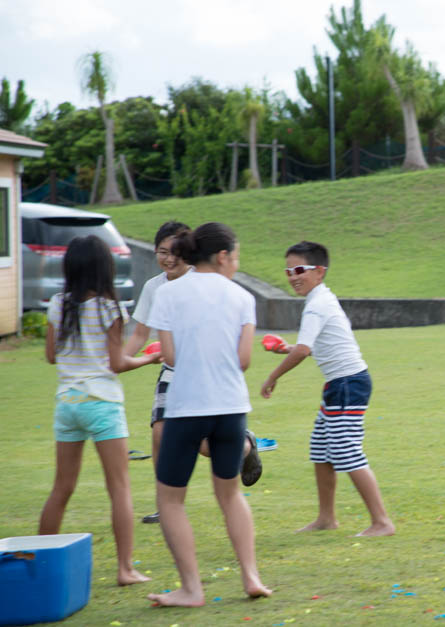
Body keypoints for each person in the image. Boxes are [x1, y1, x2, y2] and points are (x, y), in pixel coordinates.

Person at [146, 222, 270, 606]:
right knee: (230, 495)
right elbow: (245, 360)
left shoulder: (169, 293)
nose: (236, 263)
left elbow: (169, 357)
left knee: (170, 500)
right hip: (232, 408)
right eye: (236, 256)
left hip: (186, 408)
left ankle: (191, 589)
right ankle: (251, 576)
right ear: (222, 256)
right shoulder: (242, 297)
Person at [40, 235, 159, 586]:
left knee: (61, 488)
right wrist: (150, 357)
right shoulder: (110, 307)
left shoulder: (57, 305)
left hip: (68, 403)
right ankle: (125, 569)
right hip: (102, 403)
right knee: (119, 487)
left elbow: (51, 356)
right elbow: (117, 363)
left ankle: (42, 564)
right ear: (103, 268)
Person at [124, 221, 262, 525]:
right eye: (162, 252)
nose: (169, 259)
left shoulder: (205, 284)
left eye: (175, 252)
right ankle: (167, 503)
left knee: (205, 446)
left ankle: (244, 444)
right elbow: (141, 333)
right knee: (160, 430)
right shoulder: (155, 288)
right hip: (172, 372)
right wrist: (122, 359)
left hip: (208, 378)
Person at [261, 241, 394, 537]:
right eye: (288, 271)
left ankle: (382, 522)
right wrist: (287, 349)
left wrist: (272, 376)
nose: (292, 276)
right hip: (341, 384)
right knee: (321, 451)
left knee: (347, 452)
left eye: (299, 270)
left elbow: (304, 350)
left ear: (319, 271)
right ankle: (326, 518)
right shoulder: (321, 299)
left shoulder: (317, 305)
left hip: (347, 384)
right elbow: (308, 347)